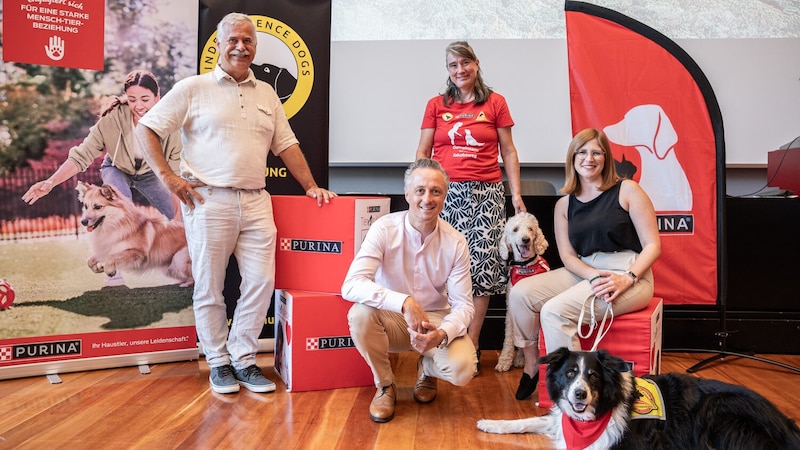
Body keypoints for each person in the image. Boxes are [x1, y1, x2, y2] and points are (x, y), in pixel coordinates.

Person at [134, 12, 336, 395]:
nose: (241, 47)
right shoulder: (193, 88)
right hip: (207, 200)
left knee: (261, 283)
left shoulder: (267, 94)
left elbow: (286, 144)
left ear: (255, 46)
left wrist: (310, 185)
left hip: (257, 200)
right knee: (209, 287)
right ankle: (218, 362)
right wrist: (170, 179)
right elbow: (147, 129)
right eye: (234, 40)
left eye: (248, 41)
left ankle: (244, 360)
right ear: (219, 42)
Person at [508, 128, 661, 400]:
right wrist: (592, 275)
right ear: (572, 158)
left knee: (553, 311)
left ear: (606, 157)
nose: (588, 158)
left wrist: (628, 277)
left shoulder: (627, 190)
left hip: (629, 271)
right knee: (520, 293)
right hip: (584, 269)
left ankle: (573, 393)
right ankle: (532, 363)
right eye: (582, 152)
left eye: (596, 152)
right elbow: (567, 257)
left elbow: (653, 245)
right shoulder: (564, 204)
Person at [415, 41, 525, 374]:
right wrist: (421, 192)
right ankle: (439, 343)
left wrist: (515, 194)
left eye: (465, 63)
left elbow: (508, 152)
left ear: (476, 64)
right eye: (453, 65)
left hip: (487, 194)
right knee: (441, 269)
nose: (459, 70)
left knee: (481, 270)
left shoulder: (496, 103)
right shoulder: (436, 105)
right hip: (444, 195)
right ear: (447, 70)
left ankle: (471, 345)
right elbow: (423, 151)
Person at [341, 158, 476, 423]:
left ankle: (427, 368)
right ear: (407, 194)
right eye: (420, 190)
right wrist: (404, 302)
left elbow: (464, 306)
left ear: (445, 196)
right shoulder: (384, 228)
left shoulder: (456, 242)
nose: (427, 198)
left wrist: (442, 334)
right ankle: (385, 385)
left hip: (434, 318)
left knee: (463, 370)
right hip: (392, 317)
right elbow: (351, 284)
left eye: (436, 191)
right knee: (360, 315)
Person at [22, 70, 181, 221]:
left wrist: (179, 217)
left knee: (180, 216)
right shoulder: (112, 119)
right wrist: (51, 182)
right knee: (123, 215)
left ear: (157, 97)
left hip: (151, 173)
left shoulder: (171, 127)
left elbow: (175, 175)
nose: (138, 106)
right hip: (117, 169)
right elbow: (82, 155)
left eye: (145, 99)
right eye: (132, 99)